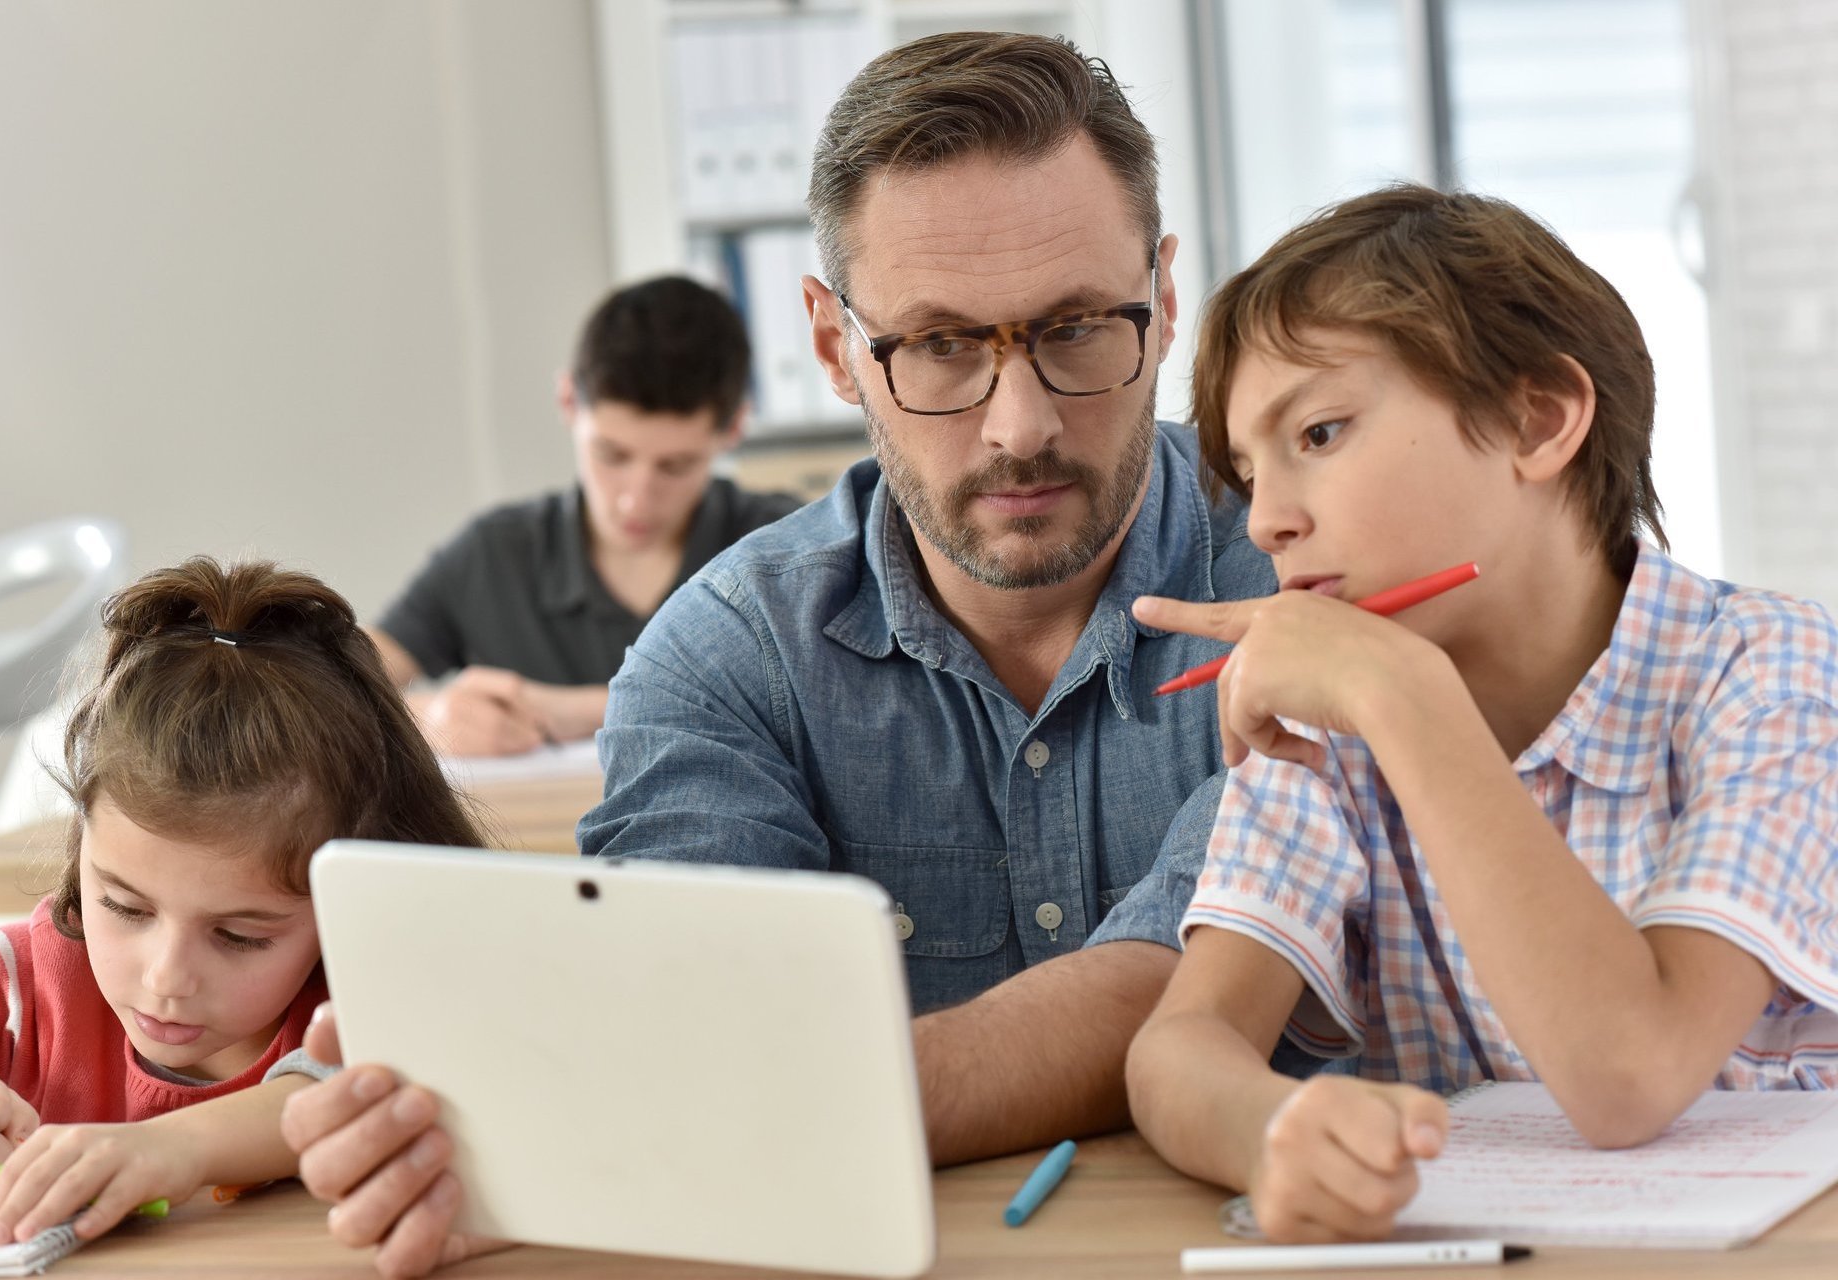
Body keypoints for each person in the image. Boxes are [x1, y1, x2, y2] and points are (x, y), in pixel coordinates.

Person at [283, 31, 1281, 1278]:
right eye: (939, 347)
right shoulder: (716, 662)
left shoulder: (1301, 572)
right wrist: (590, 1125)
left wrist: (636, 1131)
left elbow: (1192, 976)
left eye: (1080, 327)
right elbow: (690, 1023)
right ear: (831, 344)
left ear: (1167, 296)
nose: (1021, 425)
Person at [1125, 184, 1838, 1243]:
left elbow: (1627, 1072)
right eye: (1246, 471)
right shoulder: (1332, 724)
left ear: (1537, 418)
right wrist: (1271, 1125)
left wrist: (1407, 700)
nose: (1269, 518)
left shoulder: (1774, 672)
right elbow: (1179, 1048)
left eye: (1318, 432)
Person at [0, 557, 488, 1247]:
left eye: (241, 937)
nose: (166, 978)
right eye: (125, 908)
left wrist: (175, 1148)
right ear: (82, 852)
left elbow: (334, 1088)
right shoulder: (8, 991)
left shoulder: (360, 1002)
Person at [370, 275, 800, 757]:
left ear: (736, 427)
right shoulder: (495, 553)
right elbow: (332, 686)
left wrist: (573, 711)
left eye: (675, 466)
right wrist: (428, 718)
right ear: (568, 401)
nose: (635, 500)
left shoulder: (789, 549)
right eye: (611, 456)